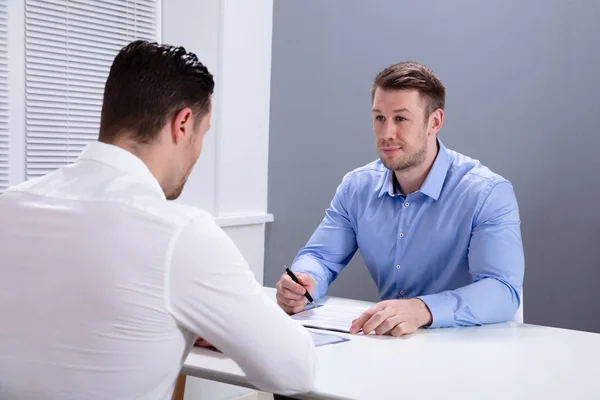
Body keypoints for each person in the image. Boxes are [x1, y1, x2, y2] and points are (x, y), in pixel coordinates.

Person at [0, 40, 316, 399]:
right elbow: (295, 372)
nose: (198, 151)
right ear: (182, 124)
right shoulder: (180, 236)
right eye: (203, 133)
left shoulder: (9, 205)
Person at [276, 61, 525, 336]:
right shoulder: (356, 187)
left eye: (401, 119)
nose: (386, 134)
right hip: (391, 346)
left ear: (435, 122)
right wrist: (305, 280)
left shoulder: (486, 192)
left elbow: (502, 290)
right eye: (379, 118)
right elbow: (320, 256)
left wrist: (422, 310)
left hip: (469, 347)